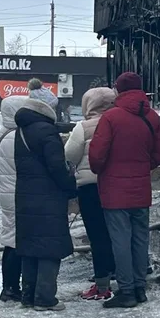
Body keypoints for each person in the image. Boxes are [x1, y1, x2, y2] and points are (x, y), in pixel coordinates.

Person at [89, 72, 160, 308]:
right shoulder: (152, 117)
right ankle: (140, 287)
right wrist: (142, 168)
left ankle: (127, 290)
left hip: (114, 191)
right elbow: (158, 156)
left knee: (120, 240)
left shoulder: (111, 117)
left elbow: (97, 156)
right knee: (140, 239)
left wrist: (104, 170)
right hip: (141, 189)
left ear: (118, 91)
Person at [14, 98, 77, 311]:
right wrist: (70, 186)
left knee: (30, 247)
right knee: (50, 248)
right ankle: (45, 298)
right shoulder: (47, 132)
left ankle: (28, 296)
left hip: (25, 197)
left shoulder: (20, 131)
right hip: (48, 198)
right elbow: (57, 167)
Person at [64, 87, 117, 301]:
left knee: (97, 236)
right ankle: (121, 273)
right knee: (117, 233)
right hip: (116, 185)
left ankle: (102, 281)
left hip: (89, 187)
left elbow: (69, 154)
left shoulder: (83, 127)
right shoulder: (118, 123)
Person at [0, 95, 29, 302]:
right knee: (14, 240)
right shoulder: (13, 137)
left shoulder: (4, 134)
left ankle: (11, 286)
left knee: (12, 238)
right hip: (15, 194)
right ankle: (10, 288)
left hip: (9, 193)